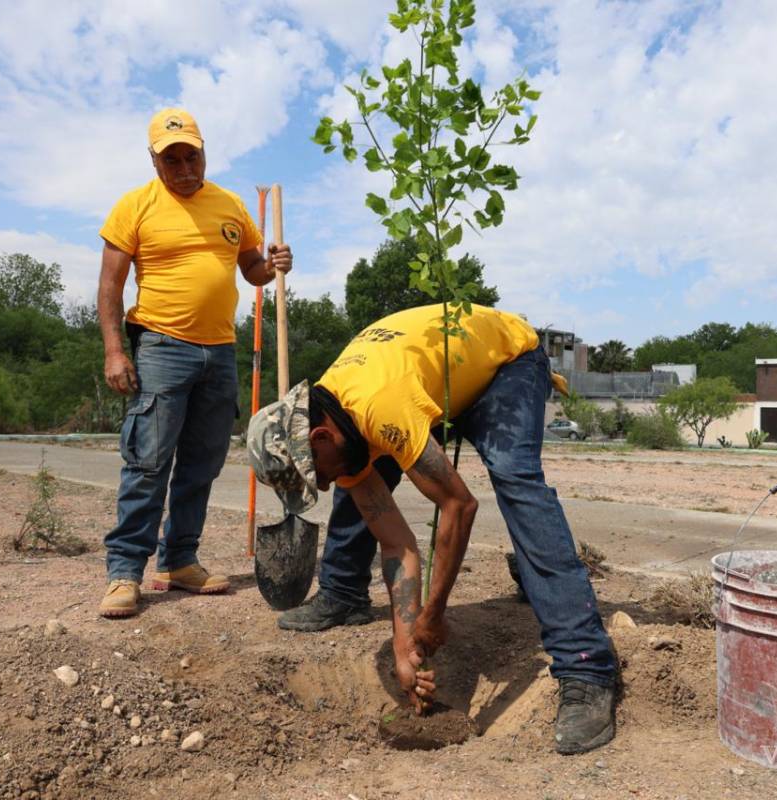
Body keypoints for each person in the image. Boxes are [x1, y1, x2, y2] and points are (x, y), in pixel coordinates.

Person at [247, 304, 617, 755]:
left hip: (507, 360)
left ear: (321, 439)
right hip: (436, 379)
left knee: (514, 474)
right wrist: (405, 646)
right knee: (354, 480)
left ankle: (587, 666)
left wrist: (434, 612)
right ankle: (343, 594)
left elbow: (458, 505)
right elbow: (396, 544)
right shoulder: (329, 417)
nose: (320, 485)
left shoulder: (379, 406)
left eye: (315, 474)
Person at [96, 108, 292, 618]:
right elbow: (110, 286)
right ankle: (125, 572)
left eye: (192, 157)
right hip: (162, 347)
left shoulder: (229, 205)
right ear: (154, 160)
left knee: (202, 464)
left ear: (204, 153)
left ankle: (180, 560)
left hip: (220, 351)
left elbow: (252, 270)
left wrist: (272, 264)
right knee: (148, 462)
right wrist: (115, 351)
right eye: (172, 159)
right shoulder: (134, 207)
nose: (184, 168)